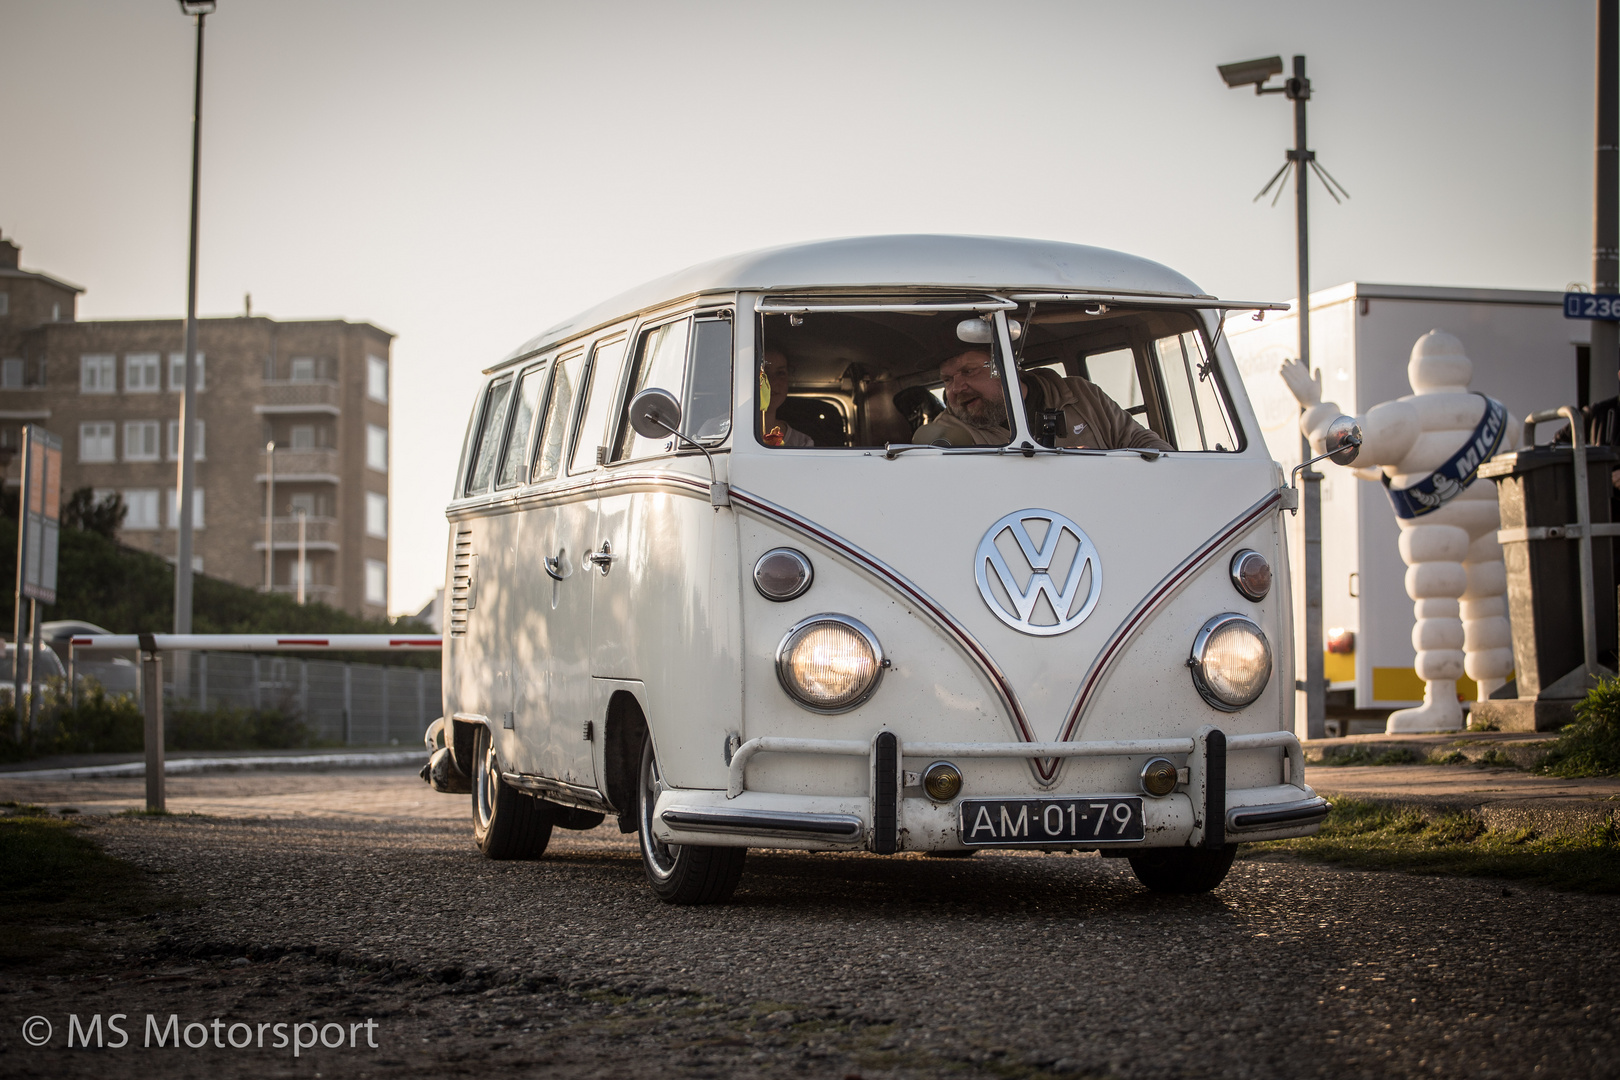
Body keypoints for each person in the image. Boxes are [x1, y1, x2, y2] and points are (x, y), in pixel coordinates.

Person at [912, 349, 1173, 452]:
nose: (956, 388)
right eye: (947, 380)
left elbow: (1143, 443)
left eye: (968, 372)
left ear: (1006, 368)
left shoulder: (1079, 395)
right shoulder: (947, 433)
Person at [758, 350, 814, 447]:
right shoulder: (726, 434)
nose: (772, 381)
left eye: (780, 373)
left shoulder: (802, 443)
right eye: (764, 373)